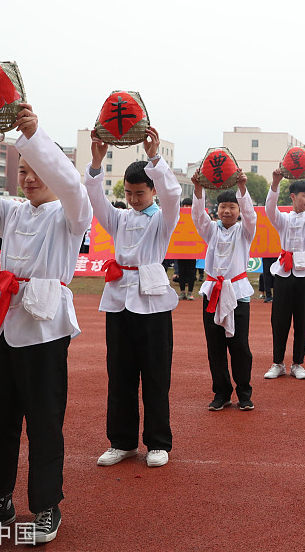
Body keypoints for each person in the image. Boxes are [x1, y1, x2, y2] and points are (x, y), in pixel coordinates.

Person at [0, 102, 91, 545]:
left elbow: (71, 184)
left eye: (35, 168)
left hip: (44, 326)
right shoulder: (12, 213)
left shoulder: (71, 215)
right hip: (1, 321)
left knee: (44, 418)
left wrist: (34, 135)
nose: (27, 177)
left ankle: (47, 506)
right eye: (22, 169)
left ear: (53, 165)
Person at [85, 128, 180, 470]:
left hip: (152, 303)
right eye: (128, 193)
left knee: (155, 375)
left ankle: (157, 442)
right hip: (118, 301)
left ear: (152, 189)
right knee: (120, 374)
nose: (134, 199)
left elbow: (173, 194)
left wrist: (156, 157)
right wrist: (96, 164)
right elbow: (96, 202)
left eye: (140, 193)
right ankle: (122, 442)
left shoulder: (164, 219)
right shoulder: (120, 218)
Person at [192, 172, 257, 411]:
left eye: (232, 207)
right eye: (223, 207)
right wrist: (198, 189)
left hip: (238, 293)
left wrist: (242, 188)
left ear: (239, 210)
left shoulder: (245, 231)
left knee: (240, 346)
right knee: (215, 346)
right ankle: (221, 392)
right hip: (212, 293)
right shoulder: (211, 230)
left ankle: (244, 392)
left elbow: (251, 216)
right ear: (216, 209)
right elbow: (198, 216)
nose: (227, 211)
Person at [265, 167, 305, 380]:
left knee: (302, 319)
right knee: (279, 319)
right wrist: (275, 183)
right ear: (293, 197)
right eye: (304, 196)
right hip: (283, 273)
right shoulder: (283, 219)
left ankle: (298, 363)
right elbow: (269, 210)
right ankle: (278, 363)